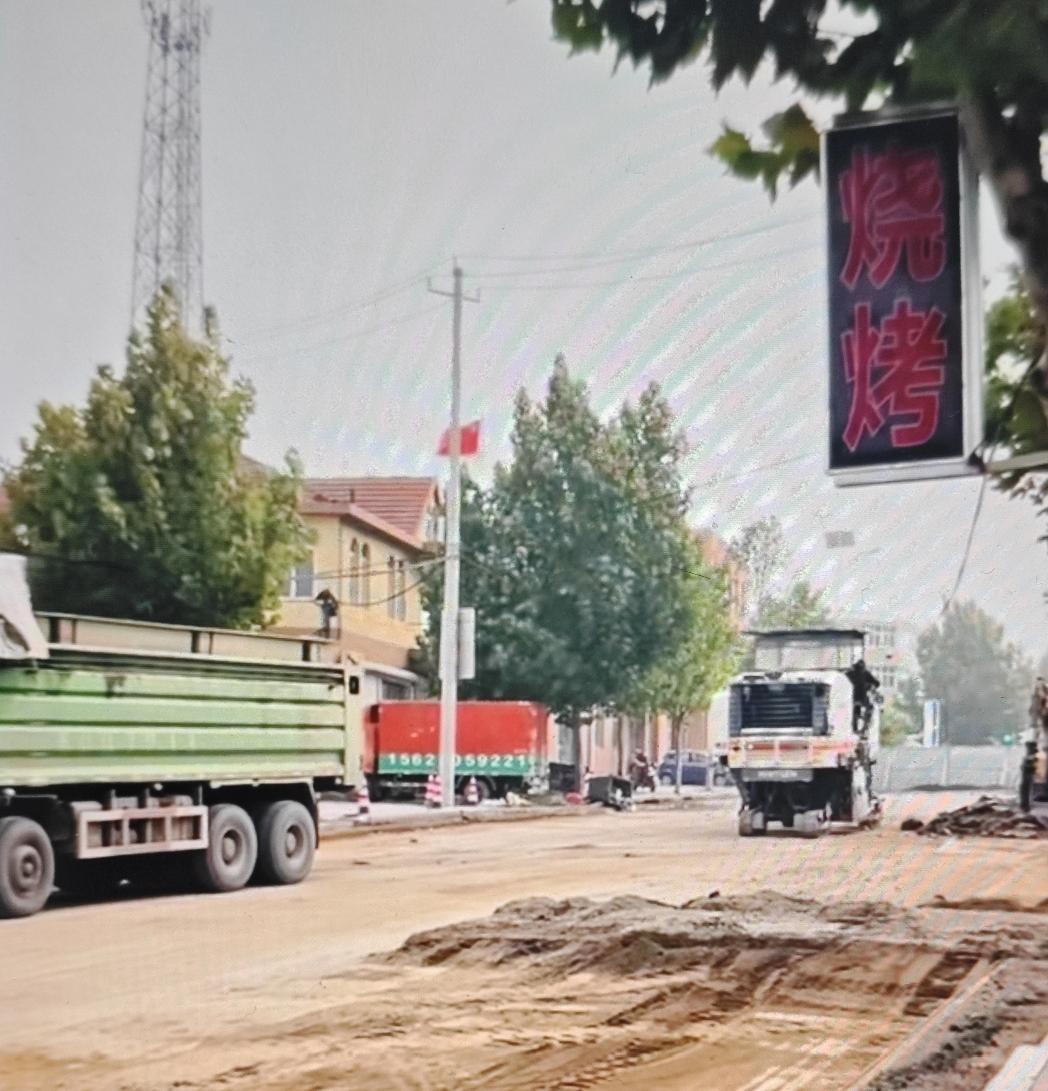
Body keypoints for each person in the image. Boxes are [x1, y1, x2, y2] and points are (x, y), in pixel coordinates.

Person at [845, 658, 880, 731]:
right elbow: (876, 682)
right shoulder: (865, 672)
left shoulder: (851, 673)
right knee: (870, 707)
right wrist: (872, 685)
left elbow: (846, 675)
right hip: (863, 696)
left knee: (856, 709)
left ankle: (855, 727)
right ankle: (865, 723)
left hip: (855, 697)